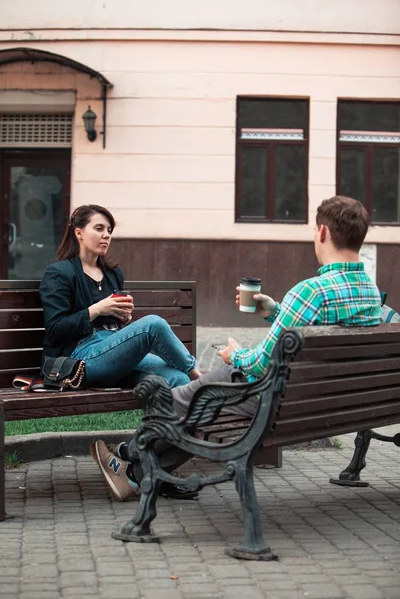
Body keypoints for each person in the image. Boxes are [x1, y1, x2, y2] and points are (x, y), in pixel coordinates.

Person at [93, 195, 383, 500]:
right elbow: (322, 326)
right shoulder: (371, 292)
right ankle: (137, 475)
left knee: (199, 391)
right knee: (205, 400)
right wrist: (276, 311)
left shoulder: (311, 291)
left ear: (322, 232)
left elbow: (261, 363)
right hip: (327, 403)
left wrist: (236, 355)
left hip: (277, 403)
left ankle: (129, 452)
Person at [40, 204, 201, 498]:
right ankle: (200, 374)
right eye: (99, 229)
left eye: (110, 231)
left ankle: (143, 470)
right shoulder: (59, 273)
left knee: (178, 382)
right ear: (79, 232)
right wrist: (97, 309)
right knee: (153, 325)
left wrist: (122, 317)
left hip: (114, 352)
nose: (106, 236)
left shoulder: (112, 274)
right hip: (83, 356)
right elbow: (54, 329)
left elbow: (114, 321)